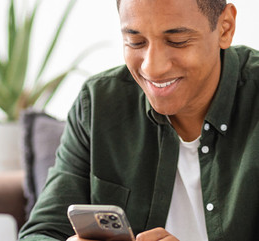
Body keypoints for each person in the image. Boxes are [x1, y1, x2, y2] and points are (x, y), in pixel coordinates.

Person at [19, 0, 259, 240]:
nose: (152, 68)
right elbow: (41, 232)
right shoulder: (98, 104)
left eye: (177, 41)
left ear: (225, 28)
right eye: (136, 42)